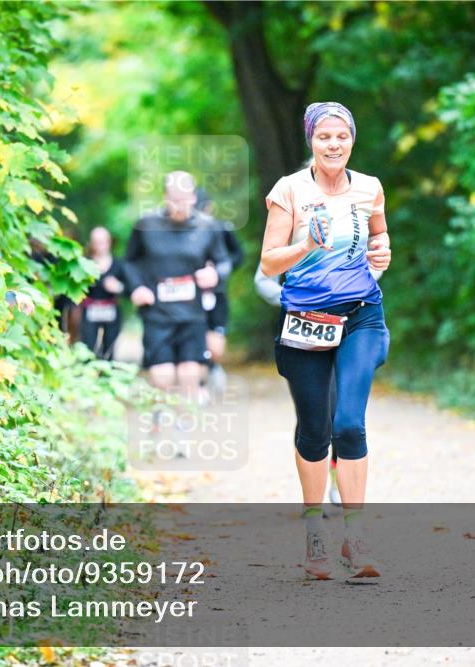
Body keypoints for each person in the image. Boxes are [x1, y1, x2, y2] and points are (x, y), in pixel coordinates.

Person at [260, 102, 391, 582]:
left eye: (342, 136)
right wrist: (307, 246)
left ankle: (355, 539)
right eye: (324, 137)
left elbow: (380, 240)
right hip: (305, 320)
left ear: (352, 139)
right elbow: (269, 263)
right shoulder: (289, 189)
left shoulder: (370, 187)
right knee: (315, 431)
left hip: (361, 316)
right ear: (311, 141)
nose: (334, 145)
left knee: (349, 425)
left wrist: (382, 254)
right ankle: (315, 532)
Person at [123, 171, 232, 405]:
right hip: (157, 313)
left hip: (193, 313)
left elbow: (224, 261)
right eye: (174, 198)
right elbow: (129, 262)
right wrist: (137, 288)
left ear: (193, 198)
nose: (179, 204)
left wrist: (215, 274)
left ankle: (186, 421)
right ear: (165, 197)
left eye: (184, 198)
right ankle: (161, 414)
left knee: (189, 374)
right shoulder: (146, 225)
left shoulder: (207, 227)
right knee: (162, 375)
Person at [196, 188, 244, 396]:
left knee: (216, 339)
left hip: (217, 292)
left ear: (210, 207)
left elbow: (238, 255)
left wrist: (219, 271)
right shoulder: (182, 232)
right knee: (195, 335)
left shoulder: (221, 229)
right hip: (190, 295)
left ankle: (213, 366)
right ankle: (199, 383)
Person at [79, 226, 126, 360]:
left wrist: (118, 287)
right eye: (96, 242)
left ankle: (107, 371)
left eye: (103, 241)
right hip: (89, 310)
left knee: (109, 350)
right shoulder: (84, 264)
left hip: (112, 310)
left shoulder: (119, 264)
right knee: (88, 349)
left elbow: (129, 289)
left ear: (109, 242)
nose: (99, 245)